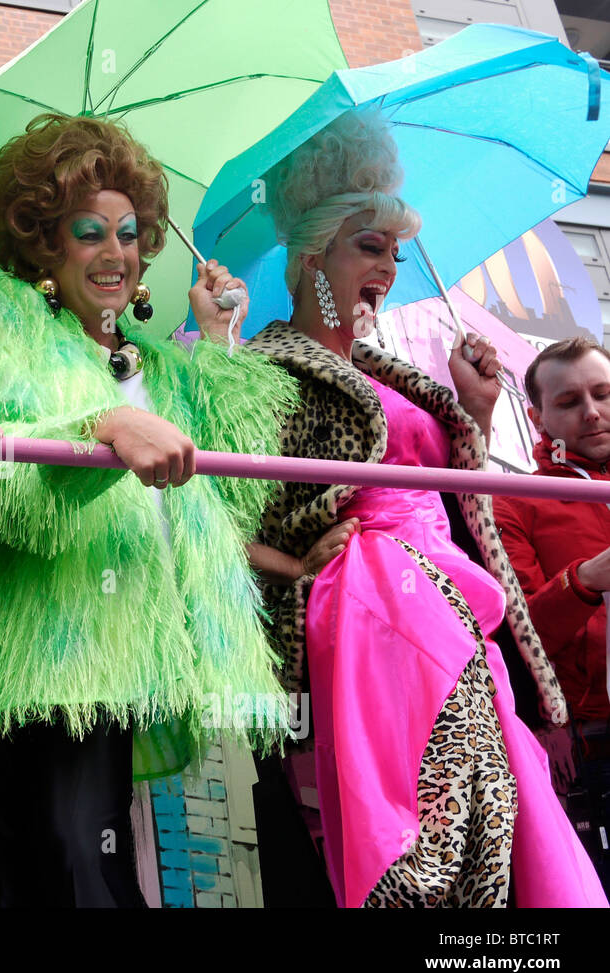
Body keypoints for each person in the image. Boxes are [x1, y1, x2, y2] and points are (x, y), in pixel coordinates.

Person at [0, 112, 299, 907]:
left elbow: (231, 502)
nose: (115, 252)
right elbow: (9, 463)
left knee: (85, 860)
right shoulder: (4, 314)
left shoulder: (165, 369)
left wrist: (218, 340)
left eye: (130, 232)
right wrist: (100, 425)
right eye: (89, 232)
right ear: (45, 243)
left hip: (103, 660)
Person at [245, 110, 605, 907]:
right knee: (423, 849)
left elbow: (453, 504)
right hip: (369, 617)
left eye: (396, 252)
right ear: (312, 254)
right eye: (369, 247)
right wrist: (295, 568)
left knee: (497, 832)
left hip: (454, 610)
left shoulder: (397, 371)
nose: (389, 268)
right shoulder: (261, 370)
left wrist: (472, 413)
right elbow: (221, 524)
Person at [493, 336, 610, 889]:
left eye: (604, 394)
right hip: (593, 747)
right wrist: (586, 580)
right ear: (538, 417)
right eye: (569, 402)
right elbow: (520, 638)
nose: (592, 412)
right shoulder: (511, 501)